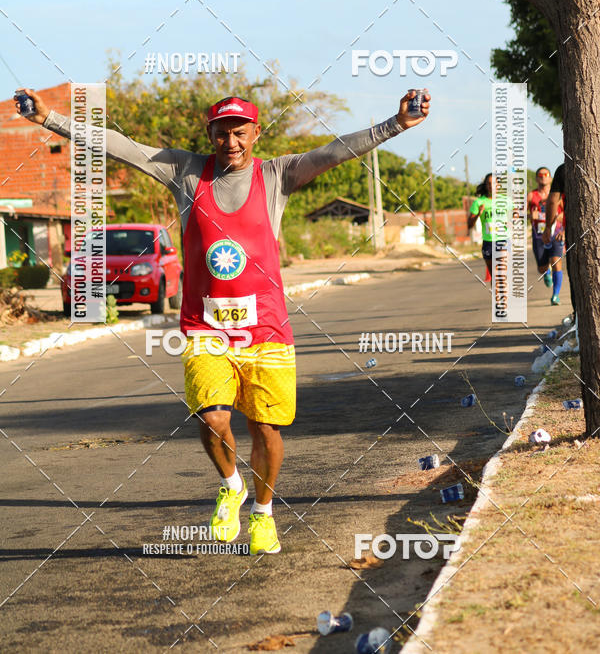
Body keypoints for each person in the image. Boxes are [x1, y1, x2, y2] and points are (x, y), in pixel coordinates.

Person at [16, 86, 429, 556]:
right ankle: (232, 485)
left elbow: (334, 151)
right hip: (205, 327)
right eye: (221, 132)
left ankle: (263, 513)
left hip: (267, 330)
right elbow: (118, 145)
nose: (230, 141)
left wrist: (395, 124)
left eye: (239, 132)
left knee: (265, 430)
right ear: (209, 133)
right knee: (212, 418)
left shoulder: (278, 174)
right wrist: (52, 119)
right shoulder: (185, 171)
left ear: (255, 133)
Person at [467, 173, 510, 291]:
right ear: (486, 185)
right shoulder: (479, 202)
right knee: (495, 276)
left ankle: (504, 305)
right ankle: (498, 303)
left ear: (499, 185)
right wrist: (478, 215)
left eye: (494, 183)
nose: (492, 186)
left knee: (501, 273)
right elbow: (469, 225)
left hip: (503, 240)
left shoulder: (506, 201)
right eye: (489, 183)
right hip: (488, 242)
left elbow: (516, 217)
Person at [528, 166, 565, 305]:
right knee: (542, 267)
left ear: (550, 178)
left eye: (546, 174)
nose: (543, 176)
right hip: (539, 235)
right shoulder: (532, 195)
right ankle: (546, 273)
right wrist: (530, 215)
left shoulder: (557, 194)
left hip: (555, 234)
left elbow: (565, 209)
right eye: (540, 174)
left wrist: (562, 216)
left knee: (556, 262)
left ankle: (555, 295)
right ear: (537, 178)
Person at [543, 162, 576, 317]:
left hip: (570, 231)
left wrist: (548, 227)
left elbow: (553, 200)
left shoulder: (565, 168)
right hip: (558, 232)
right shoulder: (532, 195)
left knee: (576, 275)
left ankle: (578, 317)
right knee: (543, 266)